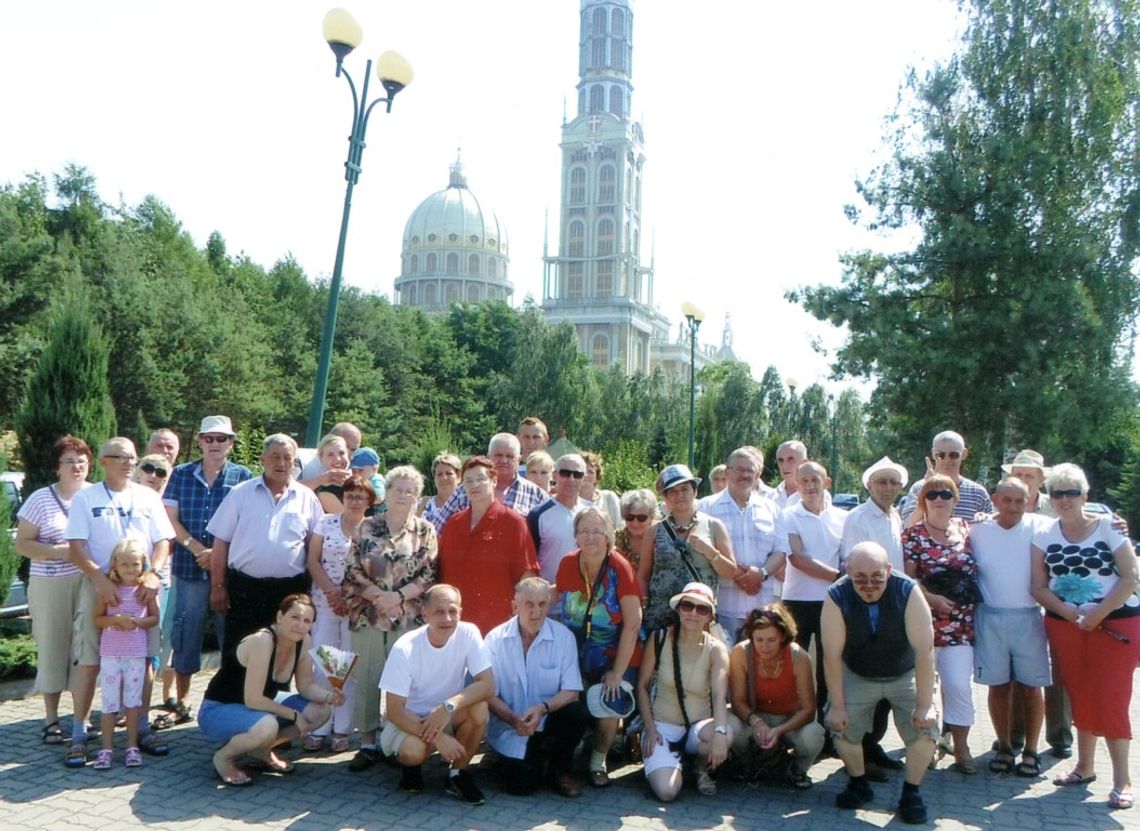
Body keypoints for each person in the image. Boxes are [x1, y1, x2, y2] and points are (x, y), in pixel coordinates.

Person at [1031, 463, 1140, 810]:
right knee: (1080, 694)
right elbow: (1037, 586)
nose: (1064, 499)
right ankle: (1084, 767)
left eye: (1072, 492)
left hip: (1115, 625)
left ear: (1085, 495)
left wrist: (1097, 614)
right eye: (1057, 493)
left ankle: (1122, 780)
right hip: (1066, 626)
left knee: (1112, 698)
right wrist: (1067, 612)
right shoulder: (1044, 532)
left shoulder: (1108, 526)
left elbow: (1130, 577)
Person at [65, 437, 174, 768]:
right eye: (121, 457)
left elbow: (163, 541)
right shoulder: (87, 497)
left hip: (142, 589)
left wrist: (153, 574)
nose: (129, 463)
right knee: (90, 661)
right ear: (103, 462)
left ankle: (141, 729)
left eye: (132, 458)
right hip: (100, 586)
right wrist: (100, 580)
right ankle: (80, 733)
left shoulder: (147, 496)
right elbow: (76, 547)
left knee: (145, 659)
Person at [822, 542, 938, 825]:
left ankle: (911, 793)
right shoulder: (836, 595)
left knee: (926, 730)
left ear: (889, 569)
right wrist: (837, 706)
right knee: (840, 726)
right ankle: (858, 782)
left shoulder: (908, 590)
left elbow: (925, 651)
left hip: (905, 672)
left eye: (877, 577)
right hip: (857, 672)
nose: (869, 585)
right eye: (860, 578)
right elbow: (831, 656)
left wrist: (925, 705)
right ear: (848, 571)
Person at [341, 466, 437, 772]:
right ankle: (368, 743)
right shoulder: (366, 526)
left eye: (410, 491)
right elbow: (352, 568)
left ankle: (396, 739)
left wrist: (397, 597)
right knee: (368, 676)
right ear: (388, 491)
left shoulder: (425, 531)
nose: (404, 496)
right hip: (368, 614)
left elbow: (429, 573)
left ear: (417, 496)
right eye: (398, 489)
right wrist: (378, 597)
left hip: (407, 617)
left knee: (405, 681)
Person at [163, 415, 252, 724]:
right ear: (200, 441)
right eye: (209, 438)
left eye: (221, 438)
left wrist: (217, 554)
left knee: (232, 636)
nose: (215, 444)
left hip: (228, 573)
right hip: (189, 568)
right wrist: (198, 549)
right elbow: (170, 518)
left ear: (231, 443)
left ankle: (229, 698)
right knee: (185, 633)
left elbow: (248, 522)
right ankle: (182, 701)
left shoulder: (244, 477)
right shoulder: (180, 474)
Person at [198, 594, 342, 786]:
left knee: (321, 711)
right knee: (267, 725)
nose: (300, 625)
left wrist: (330, 696)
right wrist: (294, 715)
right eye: (295, 617)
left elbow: (305, 686)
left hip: (259, 706)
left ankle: (260, 750)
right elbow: (253, 699)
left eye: (307, 621)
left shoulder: (304, 641)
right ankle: (223, 758)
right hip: (218, 708)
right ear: (280, 617)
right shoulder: (262, 641)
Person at [379, 584, 494, 805]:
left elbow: (488, 685)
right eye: (439, 612)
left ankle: (457, 775)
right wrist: (439, 739)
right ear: (424, 614)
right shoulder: (405, 648)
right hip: (408, 720)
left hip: (445, 715)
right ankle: (410, 770)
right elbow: (395, 712)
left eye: (453, 611)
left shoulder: (469, 633)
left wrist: (448, 706)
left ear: (461, 611)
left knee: (479, 708)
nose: (447, 618)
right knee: (414, 751)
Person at [208, 434, 322, 654]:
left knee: (283, 656)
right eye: (275, 457)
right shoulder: (240, 494)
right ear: (262, 459)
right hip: (244, 590)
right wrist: (218, 586)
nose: (281, 463)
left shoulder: (308, 498)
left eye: (287, 458)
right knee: (238, 656)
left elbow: (314, 549)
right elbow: (221, 542)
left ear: (294, 462)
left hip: (289, 592)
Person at [969, 477, 1051, 777]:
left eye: (1020, 500)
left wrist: (1115, 524)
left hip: (1029, 617)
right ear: (995, 500)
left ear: (1028, 501)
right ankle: (1004, 747)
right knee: (998, 686)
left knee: (1032, 687)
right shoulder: (976, 529)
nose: (1014, 507)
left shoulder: (1042, 526)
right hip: (989, 617)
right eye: (1007, 500)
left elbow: (1079, 525)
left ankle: (1031, 750)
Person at [14, 435, 93, 746]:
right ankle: (51, 720)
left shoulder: (95, 496)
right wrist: (58, 552)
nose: (77, 466)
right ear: (57, 467)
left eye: (82, 461)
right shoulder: (40, 499)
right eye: (69, 461)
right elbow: (22, 544)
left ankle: (81, 718)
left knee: (85, 649)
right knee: (52, 647)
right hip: (50, 585)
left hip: (88, 582)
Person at [557, 507, 642, 787]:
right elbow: (556, 593)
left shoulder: (620, 568)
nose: (590, 537)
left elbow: (633, 624)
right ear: (576, 535)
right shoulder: (568, 562)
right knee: (568, 702)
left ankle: (598, 761)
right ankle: (569, 755)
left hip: (615, 654)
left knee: (608, 703)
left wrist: (617, 672)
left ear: (608, 536)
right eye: (584, 531)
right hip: (576, 653)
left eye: (597, 531)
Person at [484, 577, 589, 797]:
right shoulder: (495, 639)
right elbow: (488, 694)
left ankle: (559, 769)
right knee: (521, 787)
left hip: (548, 718)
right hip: (510, 724)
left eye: (542, 604)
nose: (536, 612)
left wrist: (542, 708)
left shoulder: (564, 637)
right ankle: (520, 759)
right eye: (529, 604)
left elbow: (572, 691)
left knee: (577, 713)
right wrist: (513, 719)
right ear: (515, 606)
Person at [902, 474, 979, 773]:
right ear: (923, 500)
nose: (938, 500)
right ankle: (928, 744)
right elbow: (908, 578)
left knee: (959, 686)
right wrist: (931, 599)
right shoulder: (913, 535)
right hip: (925, 623)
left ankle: (961, 746)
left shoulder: (967, 529)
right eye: (931, 494)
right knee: (925, 691)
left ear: (955, 499)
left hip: (961, 625)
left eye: (945, 494)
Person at [838, 456, 908, 774]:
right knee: (864, 683)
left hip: (894, 607)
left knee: (885, 682)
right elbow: (852, 565)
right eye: (882, 481)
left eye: (894, 482)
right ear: (869, 485)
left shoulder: (895, 516)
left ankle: (873, 746)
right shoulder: (858, 518)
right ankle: (859, 754)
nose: (888, 487)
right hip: (866, 607)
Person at [636, 582, 732, 800]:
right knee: (667, 792)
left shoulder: (716, 649)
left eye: (702, 609)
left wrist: (720, 733)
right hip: (661, 726)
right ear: (678, 609)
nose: (693, 613)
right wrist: (650, 729)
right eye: (687, 605)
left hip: (697, 728)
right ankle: (671, 764)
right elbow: (641, 686)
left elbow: (719, 695)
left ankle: (700, 767)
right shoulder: (659, 639)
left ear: (710, 616)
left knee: (727, 732)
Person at [304, 475, 373, 753]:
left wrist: (348, 596)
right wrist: (332, 592)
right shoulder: (326, 522)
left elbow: (374, 570)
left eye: (360, 496)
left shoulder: (373, 529)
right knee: (325, 663)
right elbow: (312, 560)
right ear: (343, 497)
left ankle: (342, 729)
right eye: (350, 495)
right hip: (325, 602)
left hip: (357, 606)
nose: (354, 501)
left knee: (349, 668)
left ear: (369, 501)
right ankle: (319, 725)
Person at [728, 603, 825, 789]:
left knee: (813, 734)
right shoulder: (741, 652)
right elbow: (737, 701)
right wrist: (756, 722)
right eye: (759, 639)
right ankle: (746, 764)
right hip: (755, 715)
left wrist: (779, 730)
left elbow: (809, 709)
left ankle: (799, 769)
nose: (765, 646)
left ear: (783, 636)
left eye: (771, 640)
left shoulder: (798, 656)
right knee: (730, 725)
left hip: (789, 719)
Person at [438, 456, 538, 635]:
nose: (474, 485)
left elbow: (527, 574)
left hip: (496, 624)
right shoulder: (454, 523)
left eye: (480, 479)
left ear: (494, 481)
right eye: (468, 481)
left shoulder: (512, 522)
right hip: (453, 622)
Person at [781, 461, 848, 728]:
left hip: (831, 603)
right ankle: (791, 726)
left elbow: (847, 557)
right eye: (804, 481)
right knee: (793, 663)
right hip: (796, 601)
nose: (809, 486)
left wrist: (841, 582)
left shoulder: (843, 518)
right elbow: (798, 558)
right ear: (797, 485)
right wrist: (838, 577)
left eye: (815, 480)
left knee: (828, 665)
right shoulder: (788, 516)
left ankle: (825, 728)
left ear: (826, 482)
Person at [699, 447, 785, 640]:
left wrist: (761, 574)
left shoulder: (772, 509)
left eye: (750, 470)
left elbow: (781, 551)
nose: (745, 475)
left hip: (762, 609)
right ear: (727, 471)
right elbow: (703, 549)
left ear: (758, 474)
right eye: (739, 469)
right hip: (721, 609)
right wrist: (737, 574)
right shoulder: (706, 507)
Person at [639, 464, 737, 634]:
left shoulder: (713, 526)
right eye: (673, 491)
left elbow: (730, 571)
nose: (680, 495)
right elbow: (643, 575)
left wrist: (710, 553)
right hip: (661, 617)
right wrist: (644, 606)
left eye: (685, 489)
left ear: (695, 491)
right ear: (666, 497)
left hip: (698, 616)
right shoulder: (654, 531)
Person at [91, 540, 159, 769]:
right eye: (125, 564)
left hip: (136, 655)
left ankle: (131, 747)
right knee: (109, 703)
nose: (130, 569)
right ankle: (106, 749)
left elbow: (154, 618)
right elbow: (97, 619)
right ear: (115, 565)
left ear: (143, 565)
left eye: (135, 564)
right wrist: (116, 620)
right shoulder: (108, 590)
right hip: (111, 655)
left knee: (132, 703)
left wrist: (138, 622)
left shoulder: (145, 591)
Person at [130, 453, 179, 728]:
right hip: (126, 582)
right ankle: (125, 706)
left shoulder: (166, 505)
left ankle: (142, 710)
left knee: (156, 644)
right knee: (128, 646)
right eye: (148, 468)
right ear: (137, 470)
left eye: (161, 472)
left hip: (161, 583)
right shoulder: (126, 498)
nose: (153, 475)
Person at [429, 433, 550, 533]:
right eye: (498, 455)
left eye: (509, 456)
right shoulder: (464, 491)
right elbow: (436, 531)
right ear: (488, 457)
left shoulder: (537, 495)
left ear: (518, 459)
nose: (504, 460)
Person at [900, 430, 992, 524]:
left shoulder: (978, 493)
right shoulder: (919, 488)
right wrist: (927, 491)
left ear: (964, 454)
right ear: (933, 454)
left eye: (953, 455)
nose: (947, 460)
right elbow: (907, 526)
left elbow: (991, 526)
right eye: (940, 455)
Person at [527, 453, 590, 584]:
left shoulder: (593, 513)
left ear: (584, 478)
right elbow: (529, 561)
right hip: (549, 593)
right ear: (555, 475)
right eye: (565, 473)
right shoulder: (538, 514)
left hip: (585, 593)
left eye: (577, 475)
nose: (571, 479)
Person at [299, 421, 361, 489]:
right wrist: (320, 480)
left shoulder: (358, 466)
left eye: (354, 449)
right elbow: (290, 487)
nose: (349, 454)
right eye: (330, 454)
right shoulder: (300, 458)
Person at [615, 488, 657, 580]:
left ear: (652, 517)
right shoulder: (616, 538)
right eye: (630, 517)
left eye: (641, 518)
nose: (635, 523)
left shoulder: (662, 537)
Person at [580, 451, 622, 529]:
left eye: (590, 472)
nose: (586, 475)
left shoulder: (608, 498)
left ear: (597, 477)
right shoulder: (570, 502)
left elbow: (621, 525)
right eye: (582, 471)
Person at [417, 452, 460, 527]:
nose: (444, 478)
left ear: (459, 476)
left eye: (449, 473)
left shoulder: (466, 504)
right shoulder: (422, 504)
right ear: (434, 478)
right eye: (439, 474)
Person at [313, 434, 350, 514]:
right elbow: (350, 518)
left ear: (348, 453)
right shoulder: (325, 492)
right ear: (321, 459)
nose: (338, 459)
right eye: (330, 455)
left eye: (341, 453)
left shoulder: (358, 480)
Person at [771, 441, 808, 508]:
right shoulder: (770, 497)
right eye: (781, 460)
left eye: (790, 460)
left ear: (804, 463)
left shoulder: (818, 495)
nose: (784, 466)